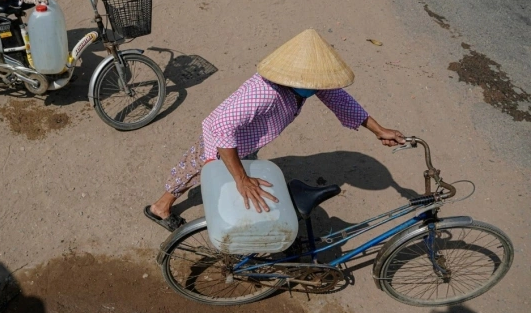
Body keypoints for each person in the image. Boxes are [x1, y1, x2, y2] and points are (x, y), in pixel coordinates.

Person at [144, 28, 406, 231]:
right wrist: (242, 179)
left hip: (247, 138)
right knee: (196, 167)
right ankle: (161, 207)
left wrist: (378, 129)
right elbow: (221, 124)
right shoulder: (265, 92)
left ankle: (221, 186)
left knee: (226, 170)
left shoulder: (303, 83)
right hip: (223, 140)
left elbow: (339, 99)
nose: (320, 89)